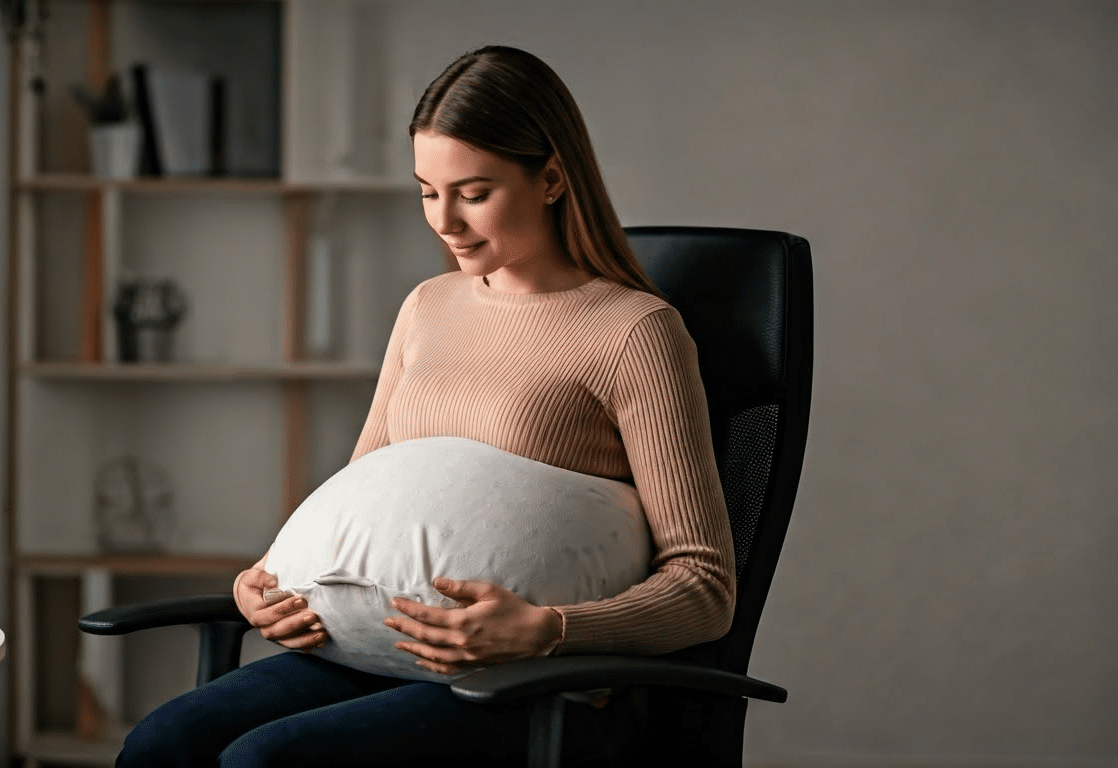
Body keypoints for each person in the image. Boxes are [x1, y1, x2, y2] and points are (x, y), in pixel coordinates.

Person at [116, 44, 734, 767]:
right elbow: (364, 497)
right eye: (426, 190)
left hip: (526, 682)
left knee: (265, 762)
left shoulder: (633, 332)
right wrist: (260, 582)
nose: (444, 220)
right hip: (359, 652)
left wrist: (547, 629)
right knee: (163, 742)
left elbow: (704, 587)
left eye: (473, 192)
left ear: (553, 179)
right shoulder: (426, 307)